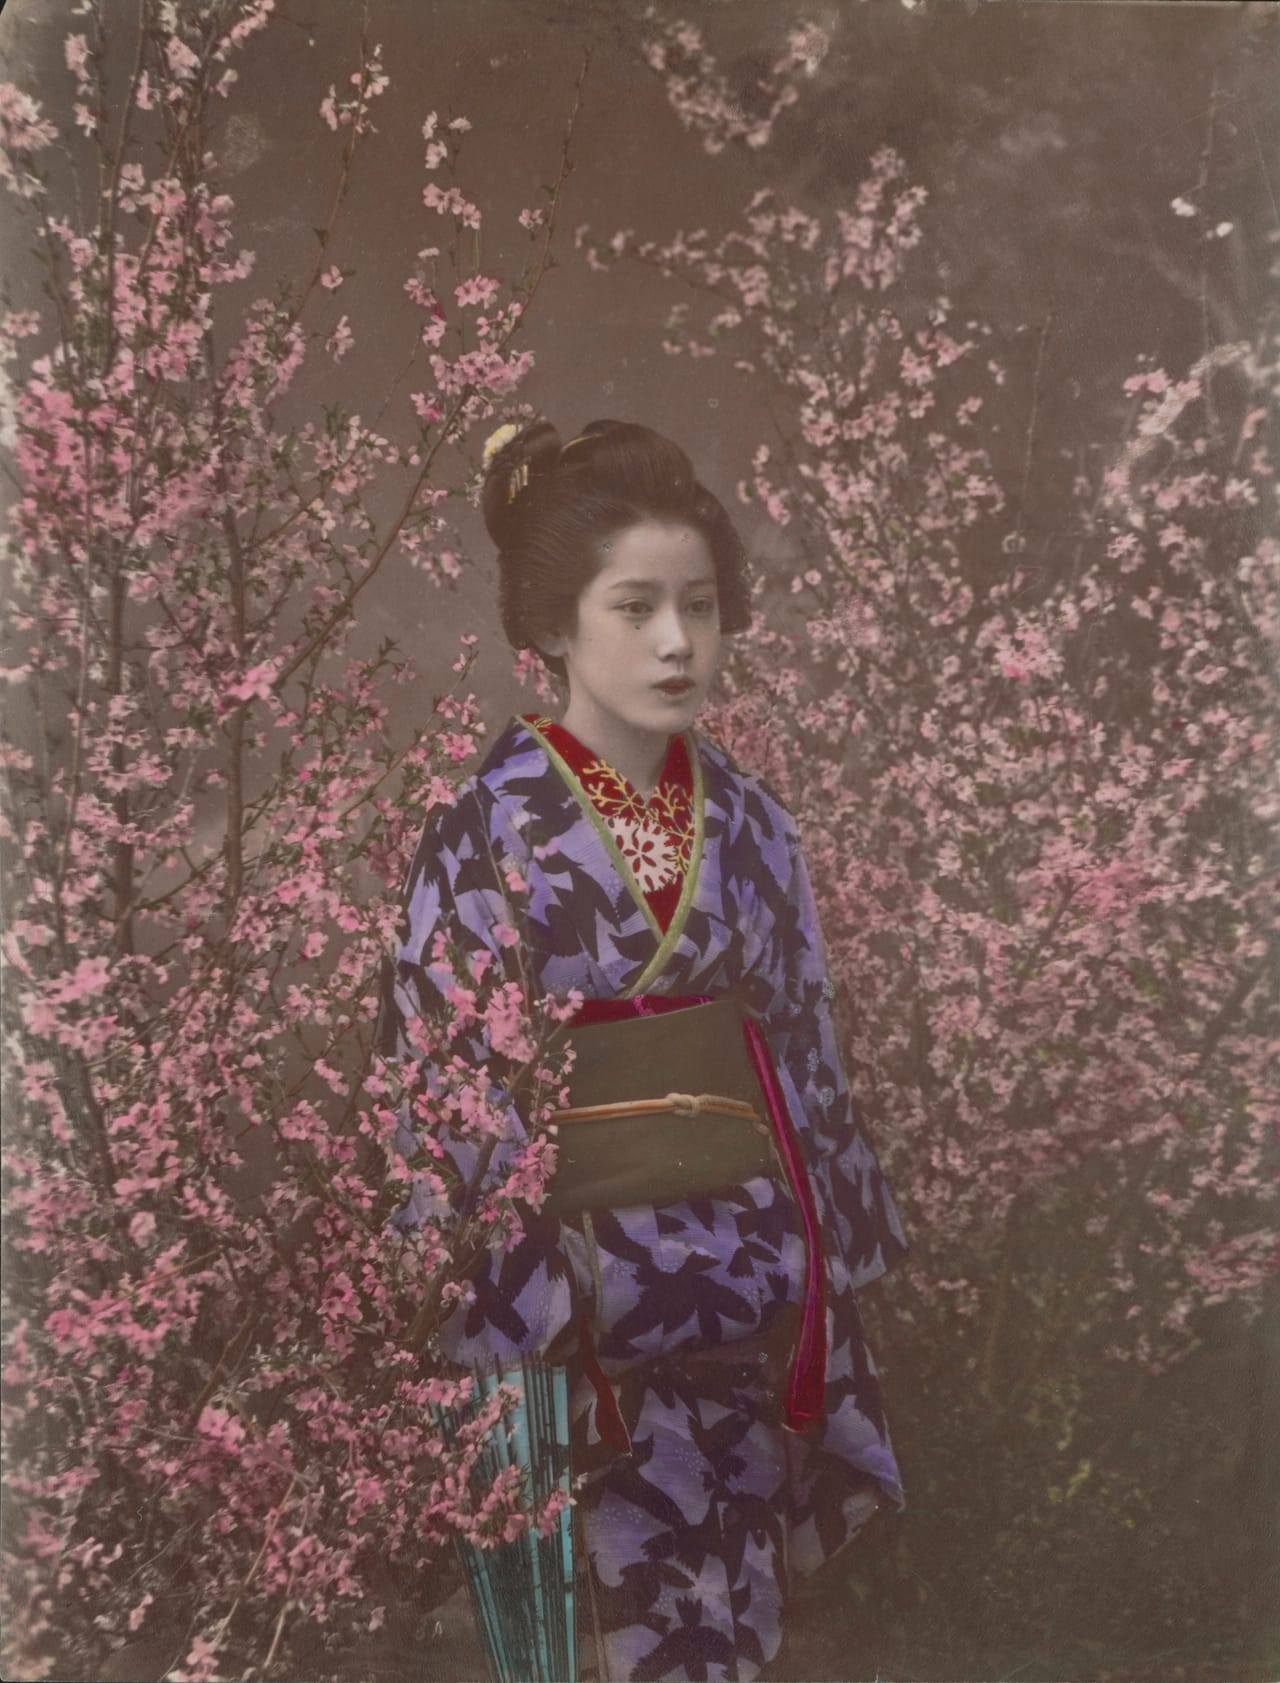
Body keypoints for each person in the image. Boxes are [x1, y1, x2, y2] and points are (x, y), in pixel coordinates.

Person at [379, 418, 907, 1683]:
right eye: (636, 607)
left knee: (734, 1611)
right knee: (603, 1627)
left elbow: (801, 1043)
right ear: (554, 626)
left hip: (747, 1272)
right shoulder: (482, 833)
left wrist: (828, 1263)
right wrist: (513, 1293)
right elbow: (442, 1072)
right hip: (580, 1296)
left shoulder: (753, 824)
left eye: (701, 606)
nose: (678, 642)